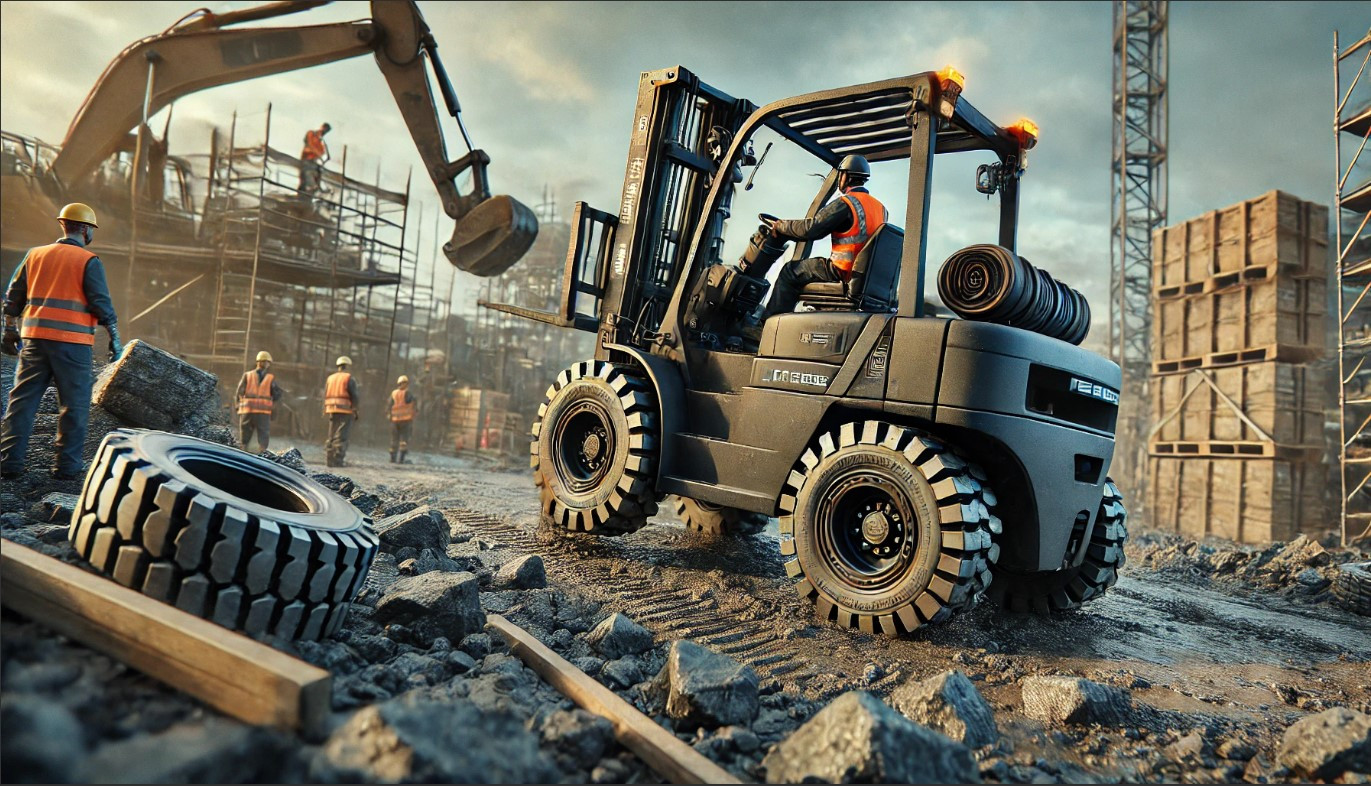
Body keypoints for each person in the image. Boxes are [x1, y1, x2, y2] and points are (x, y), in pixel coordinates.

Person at [1, 203, 122, 480]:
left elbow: (13, 297)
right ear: (85, 229)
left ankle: (9, 463)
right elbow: (101, 304)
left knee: (22, 402)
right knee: (74, 405)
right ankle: (66, 468)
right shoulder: (88, 261)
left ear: (63, 225)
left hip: (34, 340)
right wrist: (115, 338)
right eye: (91, 229)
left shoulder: (35, 255)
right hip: (72, 343)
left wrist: (9, 331)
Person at [759, 154, 887, 319]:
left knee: (790, 272)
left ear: (845, 176)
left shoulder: (846, 203)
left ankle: (769, 325)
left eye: (840, 174)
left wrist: (781, 226)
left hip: (843, 271)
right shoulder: (881, 209)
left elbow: (811, 229)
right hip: (866, 278)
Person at [237, 350, 283, 453]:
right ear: (259, 362)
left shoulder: (269, 378)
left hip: (255, 412)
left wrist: (238, 406)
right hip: (253, 412)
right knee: (247, 435)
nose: (267, 364)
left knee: (259, 435)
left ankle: (255, 452)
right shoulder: (248, 376)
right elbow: (239, 392)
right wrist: (238, 406)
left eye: (268, 362)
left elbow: (239, 392)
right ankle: (245, 452)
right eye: (265, 361)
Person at [323, 355, 359, 467]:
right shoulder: (349, 378)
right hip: (345, 410)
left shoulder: (330, 378)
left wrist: (324, 409)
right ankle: (338, 461)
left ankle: (329, 460)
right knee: (342, 436)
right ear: (347, 366)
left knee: (332, 435)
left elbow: (325, 394)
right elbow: (354, 396)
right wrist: (355, 410)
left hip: (331, 410)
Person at [388, 375, 418, 464]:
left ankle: (392, 458)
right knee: (404, 440)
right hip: (405, 420)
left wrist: (389, 415)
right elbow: (413, 404)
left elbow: (389, 405)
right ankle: (401, 459)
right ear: (404, 384)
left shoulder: (393, 393)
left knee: (394, 440)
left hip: (394, 420)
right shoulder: (408, 393)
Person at [299, 122, 331, 195]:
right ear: (321, 127)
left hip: (314, 161)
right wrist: (319, 154)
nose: (324, 132)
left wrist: (322, 156)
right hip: (306, 159)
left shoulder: (322, 144)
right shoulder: (311, 133)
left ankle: (313, 189)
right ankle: (311, 187)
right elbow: (310, 145)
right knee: (308, 173)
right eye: (324, 130)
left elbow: (322, 153)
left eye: (326, 132)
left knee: (316, 173)